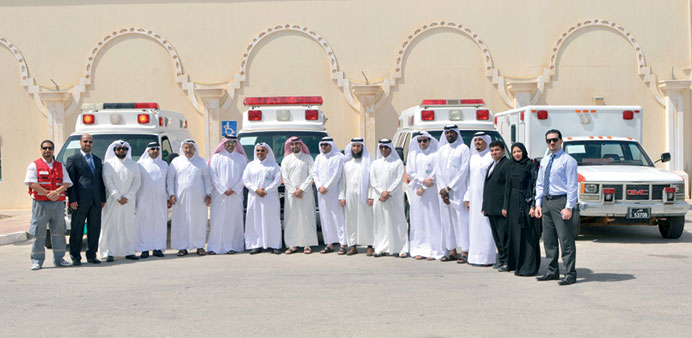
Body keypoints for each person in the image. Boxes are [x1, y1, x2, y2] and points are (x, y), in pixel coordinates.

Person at [535, 129, 579, 286]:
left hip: (561, 201)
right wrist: (538, 204)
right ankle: (552, 271)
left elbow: (572, 186)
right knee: (548, 240)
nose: (552, 143)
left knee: (565, 239)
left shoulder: (568, 161)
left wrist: (569, 207)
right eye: (549, 141)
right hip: (547, 202)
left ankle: (570, 273)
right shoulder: (545, 161)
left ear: (561, 141)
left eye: (554, 140)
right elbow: (540, 183)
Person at [25, 140, 73, 270]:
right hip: (40, 204)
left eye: (50, 148)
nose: (47, 151)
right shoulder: (34, 165)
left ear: (53, 150)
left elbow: (67, 183)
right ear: (41, 150)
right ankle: (36, 261)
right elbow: (32, 183)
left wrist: (56, 192)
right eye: (45, 148)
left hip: (57, 204)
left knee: (58, 232)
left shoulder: (60, 166)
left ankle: (59, 259)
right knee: (39, 233)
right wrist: (48, 193)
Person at [66, 134, 106, 265]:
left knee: (94, 229)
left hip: (96, 201)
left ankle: (91, 255)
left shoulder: (97, 160)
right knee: (77, 229)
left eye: (90, 142)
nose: (88, 144)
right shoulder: (73, 159)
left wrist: (102, 198)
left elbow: (100, 181)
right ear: (80, 143)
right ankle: (75, 256)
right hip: (79, 201)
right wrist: (72, 199)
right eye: (85, 141)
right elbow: (70, 182)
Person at [167, 139, 212, 257]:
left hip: (199, 198)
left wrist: (208, 194)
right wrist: (171, 194)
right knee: (181, 222)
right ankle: (182, 247)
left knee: (198, 221)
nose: (188, 150)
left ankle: (199, 246)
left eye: (190, 148)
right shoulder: (176, 162)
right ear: (183, 149)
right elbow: (170, 179)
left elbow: (207, 179)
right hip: (180, 198)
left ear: (194, 149)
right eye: (186, 148)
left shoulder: (201, 162)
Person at [99, 140, 142, 262]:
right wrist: (117, 196)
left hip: (128, 201)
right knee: (110, 226)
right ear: (114, 151)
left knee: (127, 226)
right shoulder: (108, 164)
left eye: (124, 149)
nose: (121, 151)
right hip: (113, 201)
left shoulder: (134, 164)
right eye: (118, 149)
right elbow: (108, 181)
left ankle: (128, 251)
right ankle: (109, 252)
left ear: (127, 151)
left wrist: (127, 196)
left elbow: (137, 182)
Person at [502, 143, 541, 276]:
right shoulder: (510, 166)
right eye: (514, 152)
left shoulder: (530, 165)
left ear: (524, 152)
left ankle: (528, 267)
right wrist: (505, 206)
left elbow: (536, 185)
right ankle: (515, 264)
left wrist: (533, 205)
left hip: (526, 201)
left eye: (519, 151)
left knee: (527, 234)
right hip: (513, 202)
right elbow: (507, 187)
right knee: (514, 233)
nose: (517, 154)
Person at [434, 125, 470, 263]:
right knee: (447, 222)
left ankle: (465, 251)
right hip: (444, 194)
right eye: (447, 132)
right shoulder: (441, 150)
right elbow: (438, 171)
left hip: (458, 191)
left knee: (461, 221)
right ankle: (452, 251)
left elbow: (463, 171)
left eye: (452, 132)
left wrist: (449, 188)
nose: (449, 135)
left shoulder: (464, 149)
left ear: (457, 133)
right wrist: (442, 190)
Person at [406, 132, 444, 261]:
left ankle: (433, 250)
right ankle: (419, 249)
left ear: (430, 141)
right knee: (418, 219)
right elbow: (410, 172)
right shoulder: (413, 155)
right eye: (420, 141)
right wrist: (421, 182)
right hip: (417, 191)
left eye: (425, 141)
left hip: (431, 191)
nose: (422, 143)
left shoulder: (435, 155)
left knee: (432, 219)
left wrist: (425, 186)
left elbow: (435, 173)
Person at [208, 136, 248, 255]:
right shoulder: (216, 157)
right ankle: (215, 247)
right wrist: (223, 189)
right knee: (218, 220)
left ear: (236, 144)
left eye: (232, 143)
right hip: (219, 195)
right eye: (228, 142)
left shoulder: (241, 158)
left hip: (236, 195)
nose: (230, 145)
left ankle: (233, 246)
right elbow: (213, 175)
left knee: (233, 220)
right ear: (223, 144)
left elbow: (245, 176)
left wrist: (235, 189)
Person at [369, 139, 408, 257]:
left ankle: (400, 248)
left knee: (396, 221)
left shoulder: (397, 162)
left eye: (386, 147)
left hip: (393, 197)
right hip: (379, 197)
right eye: (381, 148)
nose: (384, 150)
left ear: (391, 148)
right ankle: (381, 247)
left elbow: (399, 179)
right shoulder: (375, 163)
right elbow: (373, 180)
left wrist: (388, 192)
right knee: (380, 223)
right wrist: (382, 192)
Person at [463, 132, 496, 266]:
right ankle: (474, 257)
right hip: (474, 198)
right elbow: (469, 180)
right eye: (475, 140)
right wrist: (467, 197)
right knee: (474, 226)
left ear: (486, 142)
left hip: (487, 197)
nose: (477, 142)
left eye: (480, 140)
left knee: (486, 227)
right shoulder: (473, 158)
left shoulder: (490, 157)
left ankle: (487, 258)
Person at [243, 143, 283, 255]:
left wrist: (266, 190)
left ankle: (274, 245)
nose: (260, 153)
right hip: (255, 197)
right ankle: (256, 245)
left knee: (272, 220)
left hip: (270, 198)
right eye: (258, 150)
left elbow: (277, 181)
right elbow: (245, 180)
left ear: (267, 152)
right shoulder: (250, 165)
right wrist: (256, 189)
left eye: (262, 150)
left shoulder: (274, 165)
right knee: (255, 220)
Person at [281, 136, 318, 254]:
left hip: (305, 194)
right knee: (292, 218)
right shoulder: (286, 160)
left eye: (297, 144)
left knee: (306, 217)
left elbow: (312, 174)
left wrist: (301, 189)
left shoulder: (308, 158)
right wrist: (293, 191)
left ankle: (307, 244)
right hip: (291, 194)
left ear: (301, 145)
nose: (294, 146)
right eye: (292, 144)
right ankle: (292, 244)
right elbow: (285, 177)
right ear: (289, 146)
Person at [338, 138, 374, 256]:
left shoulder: (368, 162)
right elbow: (342, 181)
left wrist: (370, 196)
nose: (356, 149)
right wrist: (342, 196)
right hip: (350, 195)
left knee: (367, 220)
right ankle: (353, 246)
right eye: (354, 146)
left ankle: (370, 245)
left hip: (365, 196)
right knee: (351, 221)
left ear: (362, 147)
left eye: (358, 146)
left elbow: (371, 181)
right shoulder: (346, 163)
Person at [134, 142, 168, 258]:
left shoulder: (164, 165)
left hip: (160, 200)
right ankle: (144, 249)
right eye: (152, 149)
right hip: (144, 200)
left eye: (157, 149)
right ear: (147, 151)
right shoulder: (140, 164)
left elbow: (167, 183)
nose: (155, 151)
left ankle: (157, 248)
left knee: (159, 224)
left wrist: (169, 197)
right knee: (144, 224)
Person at [312, 137, 346, 254]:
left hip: (334, 192)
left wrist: (326, 186)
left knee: (338, 217)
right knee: (325, 218)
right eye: (322, 145)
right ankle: (329, 244)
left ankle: (343, 244)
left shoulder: (338, 157)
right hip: (321, 193)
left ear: (331, 145)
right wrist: (319, 186)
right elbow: (314, 173)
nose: (323, 147)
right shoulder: (318, 157)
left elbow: (337, 175)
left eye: (326, 145)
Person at [482, 140, 511, 271]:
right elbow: (487, 186)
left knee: (503, 236)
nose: (494, 153)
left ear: (503, 151)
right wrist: (484, 206)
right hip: (491, 207)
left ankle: (507, 262)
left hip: (501, 208)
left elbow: (507, 188)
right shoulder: (492, 165)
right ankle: (501, 259)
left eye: (497, 150)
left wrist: (505, 206)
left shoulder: (507, 165)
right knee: (497, 237)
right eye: (492, 151)